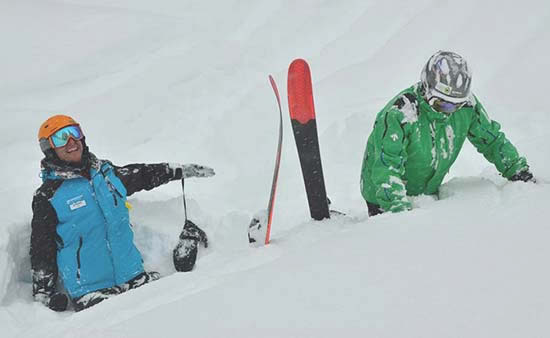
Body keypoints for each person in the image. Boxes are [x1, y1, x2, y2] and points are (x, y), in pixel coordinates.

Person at [31, 114, 214, 311]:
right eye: (60, 138)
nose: (71, 141)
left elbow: (141, 175)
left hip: (133, 276)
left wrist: (177, 171)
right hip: (91, 292)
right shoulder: (48, 196)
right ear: (49, 149)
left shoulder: (106, 174)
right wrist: (44, 293)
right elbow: (42, 248)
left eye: (75, 132)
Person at [360, 51, 535, 216]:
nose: (448, 111)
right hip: (383, 195)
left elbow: (491, 140)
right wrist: (400, 213)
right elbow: (386, 168)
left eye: (455, 105)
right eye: (441, 104)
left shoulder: (467, 107)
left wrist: (516, 170)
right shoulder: (400, 113)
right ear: (427, 89)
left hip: (427, 192)